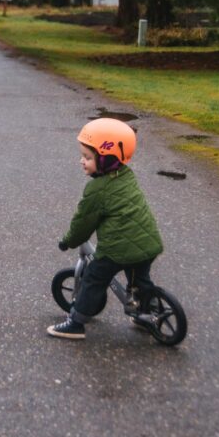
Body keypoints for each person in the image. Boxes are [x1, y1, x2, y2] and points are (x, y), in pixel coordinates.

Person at [48, 117, 163, 340]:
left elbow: (83, 223)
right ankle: (147, 312)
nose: (82, 161)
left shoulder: (97, 188)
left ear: (106, 159)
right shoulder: (126, 175)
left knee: (93, 278)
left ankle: (76, 323)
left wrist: (69, 241)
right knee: (139, 279)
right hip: (148, 242)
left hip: (118, 250)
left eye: (88, 157)